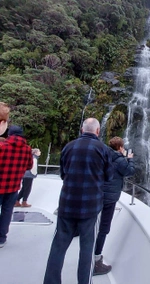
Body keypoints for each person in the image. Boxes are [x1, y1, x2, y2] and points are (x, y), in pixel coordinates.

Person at [43, 118, 114, 284]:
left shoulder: (68, 147)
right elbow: (109, 177)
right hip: (90, 206)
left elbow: (63, 173)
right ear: (98, 131)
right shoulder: (103, 149)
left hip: (67, 203)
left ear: (82, 130)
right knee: (87, 249)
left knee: (58, 246)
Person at [94, 136, 135, 276]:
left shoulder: (102, 156)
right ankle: (96, 260)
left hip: (97, 194)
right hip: (110, 198)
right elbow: (129, 171)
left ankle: (87, 255)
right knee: (104, 228)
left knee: (92, 224)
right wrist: (129, 158)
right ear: (120, 147)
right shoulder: (119, 160)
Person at [0, 125, 33, 248]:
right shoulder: (27, 149)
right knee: (7, 212)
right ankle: (1, 238)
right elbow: (29, 166)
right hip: (13, 186)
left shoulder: (2, 146)